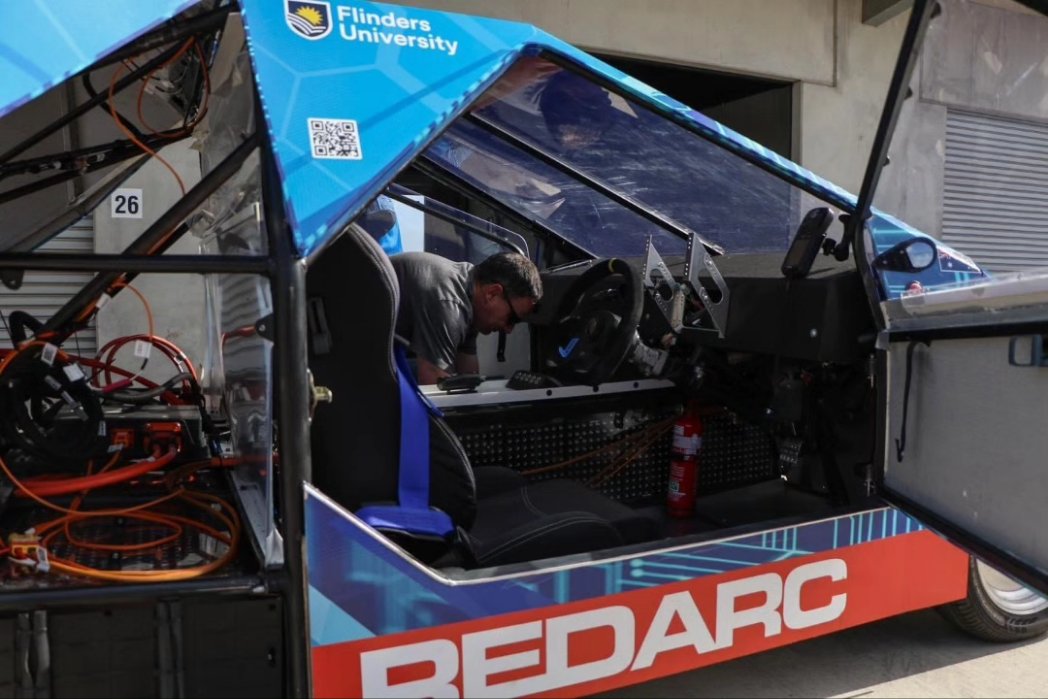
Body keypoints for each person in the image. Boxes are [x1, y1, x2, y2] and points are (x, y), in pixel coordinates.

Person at [390, 250, 542, 384]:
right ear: (492, 294)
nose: (509, 329)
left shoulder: (470, 293)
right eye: (512, 318)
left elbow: (468, 373)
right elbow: (434, 384)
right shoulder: (450, 304)